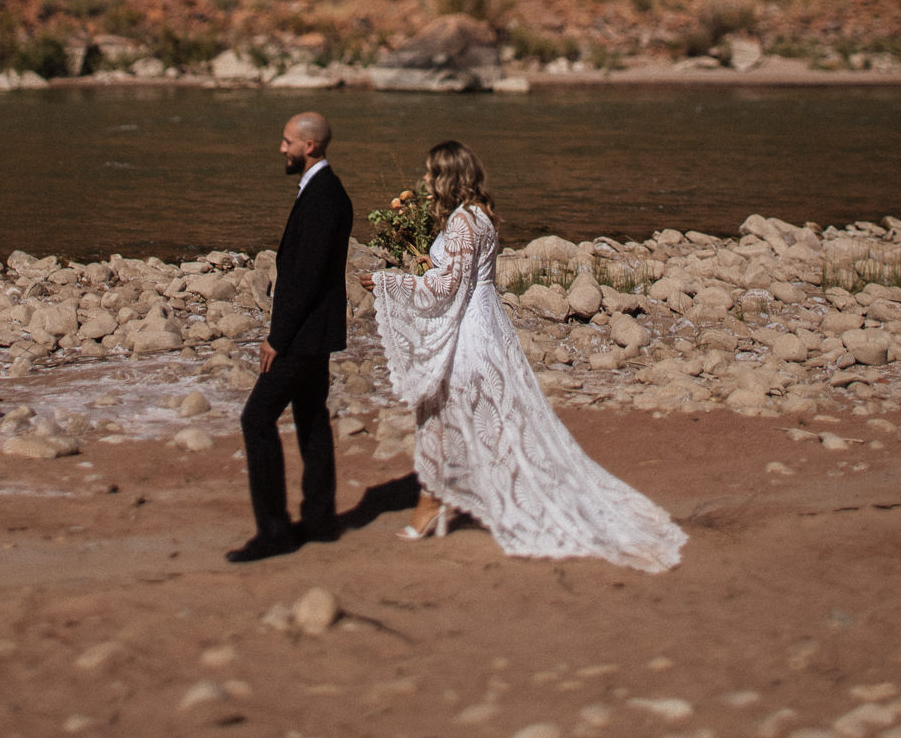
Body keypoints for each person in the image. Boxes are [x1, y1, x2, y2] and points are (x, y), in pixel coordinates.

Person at [363, 141, 685, 573]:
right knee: (475, 416)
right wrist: (430, 266)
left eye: (429, 173)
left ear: (446, 177)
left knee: (442, 414)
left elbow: (446, 289)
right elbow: (459, 275)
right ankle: (442, 500)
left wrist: (388, 283)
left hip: (469, 333)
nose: (423, 181)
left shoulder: (461, 222)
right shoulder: (480, 215)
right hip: (488, 322)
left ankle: (437, 504)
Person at [227, 111, 353, 563]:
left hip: (301, 337)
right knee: (311, 420)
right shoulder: (322, 191)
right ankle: (319, 520)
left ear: (310, 147)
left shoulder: (323, 196)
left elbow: (307, 276)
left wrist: (277, 338)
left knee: (256, 421)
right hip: (314, 334)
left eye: (287, 142)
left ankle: (275, 531)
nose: (282, 149)